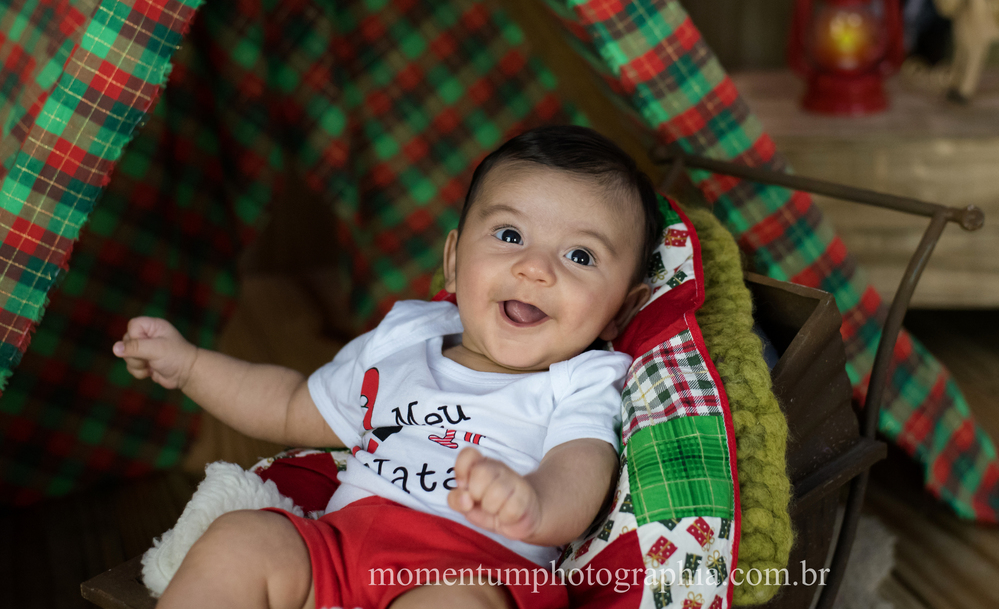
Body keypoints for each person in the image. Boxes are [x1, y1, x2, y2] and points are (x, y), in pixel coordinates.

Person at [113, 126, 662, 609]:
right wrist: (190, 367)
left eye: (580, 256)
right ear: (453, 262)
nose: (534, 268)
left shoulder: (582, 380)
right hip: (340, 550)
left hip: (471, 572)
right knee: (242, 540)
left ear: (621, 310)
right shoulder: (405, 338)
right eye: (510, 235)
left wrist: (533, 503)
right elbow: (288, 405)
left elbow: (578, 473)